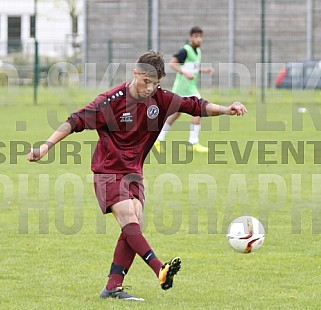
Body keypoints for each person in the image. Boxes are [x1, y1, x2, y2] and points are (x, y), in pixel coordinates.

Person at [27, 51, 247, 301]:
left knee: (133, 225)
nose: (150, 88)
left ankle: (112, 287)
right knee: (130, 218)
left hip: (134, 174)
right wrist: (45, 146)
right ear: (135, 74)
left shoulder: (160, 99)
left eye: (156, 83)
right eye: (146, 82)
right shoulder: (111, 101)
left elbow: (194, 105)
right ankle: (160, 269)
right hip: (108, 171)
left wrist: (227, 109)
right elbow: (75, 120)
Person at [155, 26, 214, 153]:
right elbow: (172, 63)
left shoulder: (198, 51)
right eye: (196, 36)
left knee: (175, 114)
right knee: (199, 109)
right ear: (190, 37)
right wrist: (184, 73)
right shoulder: (185, 50)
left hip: (189, 87)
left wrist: (204, 70)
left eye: (200, 36)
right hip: (183, 87)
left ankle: (158, 139)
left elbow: (192, 67)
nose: (198, 39)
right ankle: (193, 142)